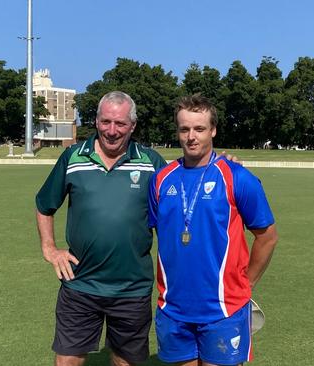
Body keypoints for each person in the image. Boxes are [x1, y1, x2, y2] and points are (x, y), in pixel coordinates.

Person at [35, 91, 167, 366]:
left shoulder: (151, 163)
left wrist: (222, 165)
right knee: (67, 360)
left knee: (125, 362)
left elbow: (182, 197)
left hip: (131, 288)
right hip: (80, 283)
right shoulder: (73, 158)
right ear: (95, 121)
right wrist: (50, 248)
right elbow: (44, 205)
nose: (112, 130)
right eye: (106, 121)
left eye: (120, 123)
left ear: (133, 125)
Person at [148, 95, 279, 365]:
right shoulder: (161, 179)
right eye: (184, 129)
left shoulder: (238, 177)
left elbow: (267, 237)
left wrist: (247, 283)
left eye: (199, 129)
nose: (191, 137)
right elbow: (162, 236)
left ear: (213, 130)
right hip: (173, 308)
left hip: (224, 309)